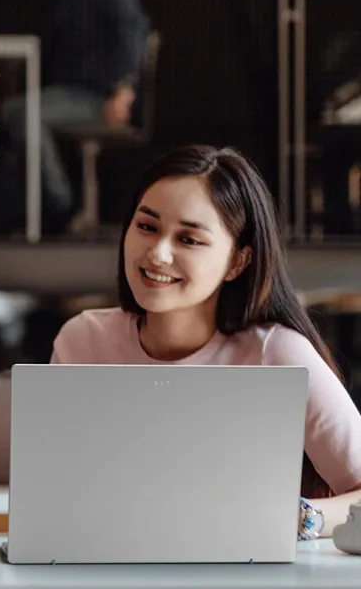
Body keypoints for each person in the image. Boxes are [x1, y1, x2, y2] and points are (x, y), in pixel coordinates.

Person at [50, 145, 361, 539]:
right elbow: (55, 492)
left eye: (190, 239)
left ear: (238, 262)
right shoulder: (82, 340)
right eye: (146, 226)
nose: (158, 253)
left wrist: (298, 518)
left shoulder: (277, 353)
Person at [0, 0, 149, 231]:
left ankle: (60, 204)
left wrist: (125, 89)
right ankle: (17, 208)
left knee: (24, 114)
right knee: (10, 114)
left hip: (98, 97)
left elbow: (134, 32)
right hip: (64, 93)